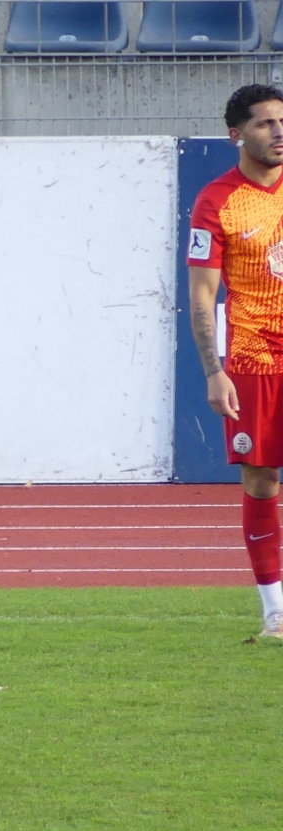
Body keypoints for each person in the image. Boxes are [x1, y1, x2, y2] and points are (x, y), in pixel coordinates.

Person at [190, 83, 283, 642]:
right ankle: (275, 612)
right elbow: (203, 293)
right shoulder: (216, 200)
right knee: (262, 479)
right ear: (236, 134)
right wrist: (213, 369)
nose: (279, 131)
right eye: (265, 123)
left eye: (282, 121)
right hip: (253, 358)